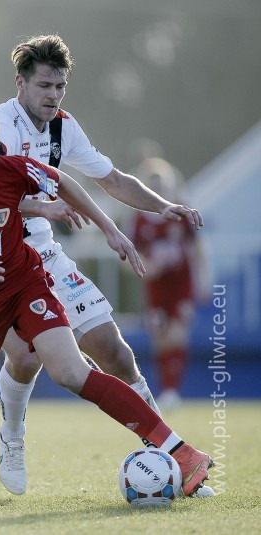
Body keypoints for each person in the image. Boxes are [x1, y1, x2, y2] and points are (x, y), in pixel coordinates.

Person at [0, 100, 213, 505]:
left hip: (23, 284)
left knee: (71, 371)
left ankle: (181, 452)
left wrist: (107, 227)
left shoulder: (9, 167)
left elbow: (62, 181)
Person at [0, 34, 214, 497]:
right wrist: (45, 208)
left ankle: (173, 457)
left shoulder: (63, 127)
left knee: (115, 352)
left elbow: (112, 179)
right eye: (44, 85)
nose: (53, 95)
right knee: (26, 358)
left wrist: (163, 206)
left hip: (44, 254)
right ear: (21, 83)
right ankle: (11, 435)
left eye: (60, 86)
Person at [129, 157, 210, 410]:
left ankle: (172, 391)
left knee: (178, 334)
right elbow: (128, 253)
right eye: (152, 184)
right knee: (160, 338)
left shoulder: (181, 210)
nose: (158, 188)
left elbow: (197, 247)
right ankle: (165, 390)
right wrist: (145, 267)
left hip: (181, 283)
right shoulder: (139, 218)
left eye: (161, 183)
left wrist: (203, 279)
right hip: (156, 286)